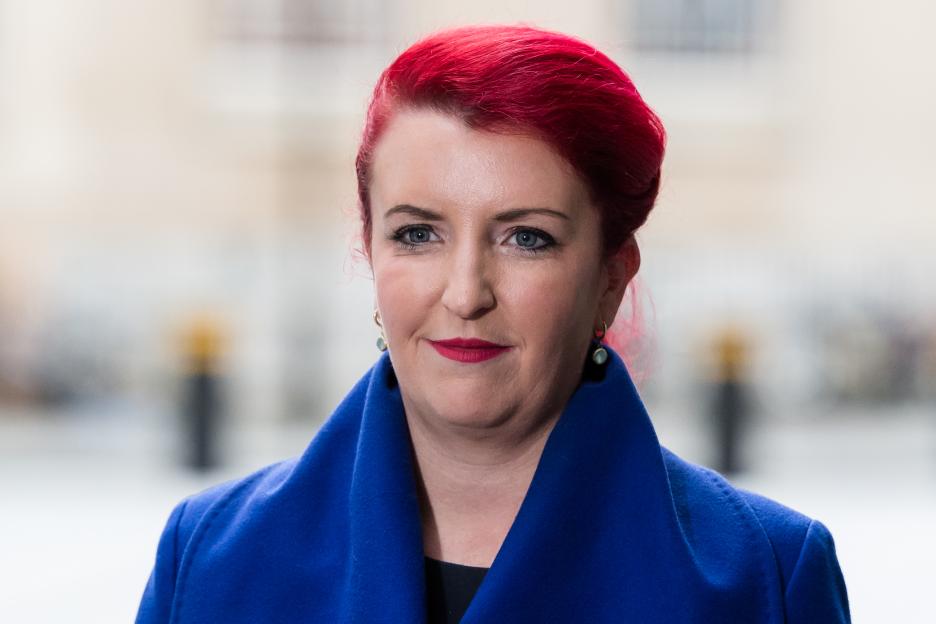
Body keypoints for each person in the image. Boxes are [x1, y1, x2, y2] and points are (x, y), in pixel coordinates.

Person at [136, 24, 850, 623]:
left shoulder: (767, 580)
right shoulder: (209, 559)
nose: (465, 292)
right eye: (418, 234)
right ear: (370, 249)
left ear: (611, 277)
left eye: (526, 238)